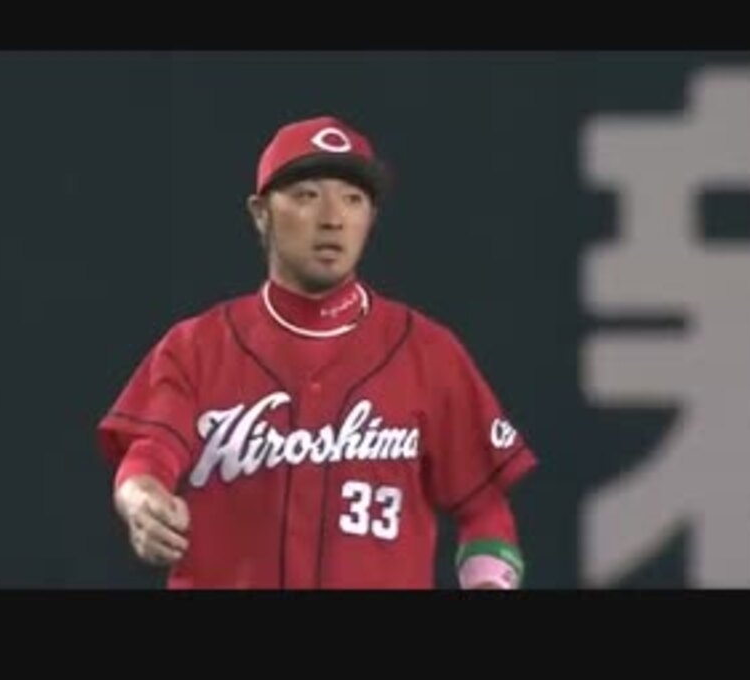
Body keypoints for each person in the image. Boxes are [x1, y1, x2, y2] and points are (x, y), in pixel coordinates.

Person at [96, 115, 538, 589]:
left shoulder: (429, 352)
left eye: (353, 199)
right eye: (307, 195)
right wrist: (140, 498)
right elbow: (150, 457)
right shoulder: (197, 347)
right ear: (260, 212)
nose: (333, 218)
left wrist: (490, 581)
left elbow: (484, 511)